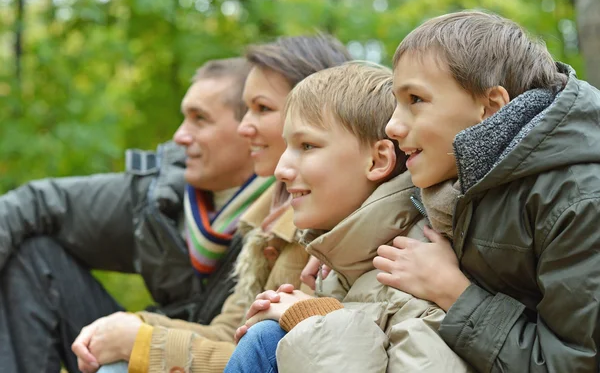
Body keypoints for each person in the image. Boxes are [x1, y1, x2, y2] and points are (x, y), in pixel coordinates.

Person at [73, 34, 352, 373]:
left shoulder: (331, 226)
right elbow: (229, 333)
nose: (244, 126)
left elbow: (269, 358)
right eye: (245, 109)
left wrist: (143, 341)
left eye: (262, 109)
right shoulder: (269, 217)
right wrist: (129, 325)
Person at [0, 57, 271, 373]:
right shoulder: (160, 198)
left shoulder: (289, 211)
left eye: (200, 119)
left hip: (214, 358)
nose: (180, 136)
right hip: (152, 351)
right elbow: (35, 202)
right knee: (34, 256)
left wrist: (138, 334)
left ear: (249, 129)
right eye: (185, 118)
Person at [375, 10, 600, 372]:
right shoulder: (458, 174)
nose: (392, 126)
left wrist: (452, 291)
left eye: (415, 99)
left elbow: (572, 364)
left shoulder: (581, 201)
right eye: (396, 103)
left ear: (491, 108)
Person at [224, 62, 471, 372]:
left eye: (307, 146)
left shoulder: (419, 270)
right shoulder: (338, 269)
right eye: (288, 146)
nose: (281, 169)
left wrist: (311, 318)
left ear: (378, 160)